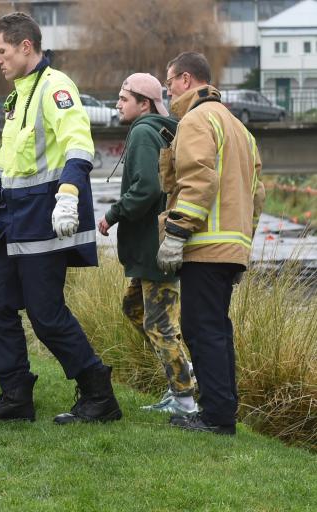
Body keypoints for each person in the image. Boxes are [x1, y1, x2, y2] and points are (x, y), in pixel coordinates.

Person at [0, 12, 122, 424]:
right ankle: (16, 396)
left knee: (46, 315)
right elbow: (8, 164)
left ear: (25, 47)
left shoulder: (55, 87)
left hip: (43, 219)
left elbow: (78, 144)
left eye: (2, 51)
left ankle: (98, 394)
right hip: (11, 220)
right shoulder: (19, 95)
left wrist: (68, 196)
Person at [157, 52, 265, 435]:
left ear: (186, 79)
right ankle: (220, 411)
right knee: (216, 330)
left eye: (169, 81)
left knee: (202, 331)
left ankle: (216, 418)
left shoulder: (197, 119)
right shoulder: (239, 128)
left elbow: (198, 179)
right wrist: (242, 248)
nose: (167, 89)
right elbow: (257, 196)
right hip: (230, 247)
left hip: (204, 245)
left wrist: (176, 233)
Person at [98, 73, 197, 416]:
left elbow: (147, 189)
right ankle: (184, 373)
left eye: (125, 99)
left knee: (159, 326)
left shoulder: (143, 131)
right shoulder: (161, 129)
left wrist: (112, 214)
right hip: (151, 249)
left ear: (144, 103)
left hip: (154, 248)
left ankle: (185, 398)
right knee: (134, 309)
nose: (118, 104)